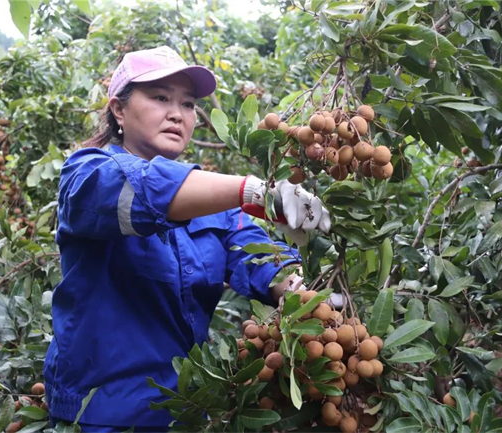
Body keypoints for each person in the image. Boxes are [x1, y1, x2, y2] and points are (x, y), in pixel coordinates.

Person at [43, 46, 331, 432]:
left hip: (185, 413)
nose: (177, 114)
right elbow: (143, 190)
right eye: (160, 98)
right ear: (118, 109)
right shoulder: (85, 173)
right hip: (98, 416)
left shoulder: (215, 205)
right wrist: (254, 190)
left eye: (189, 104)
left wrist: (309, 293)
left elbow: (260, 259)